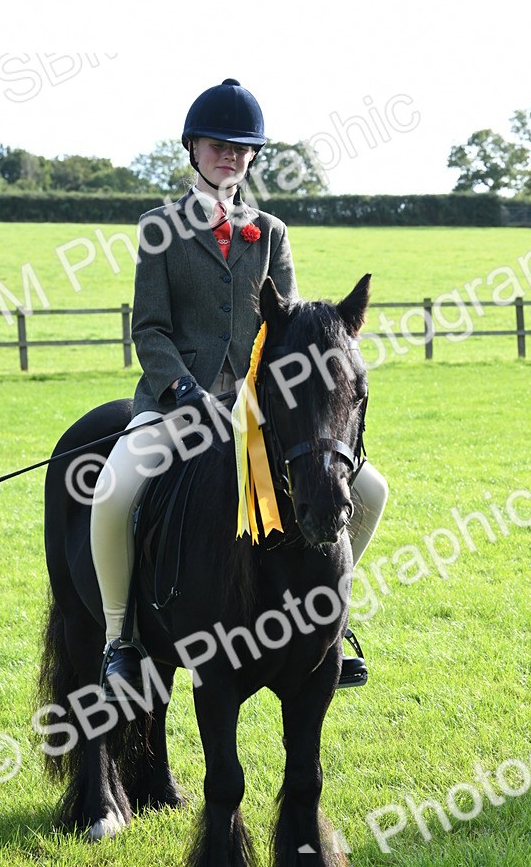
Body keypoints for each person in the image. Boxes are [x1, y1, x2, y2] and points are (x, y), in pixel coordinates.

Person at [90, 78, 388, 702]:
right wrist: (188, 391)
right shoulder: (158, 227)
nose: (229, 154)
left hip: (258, 412)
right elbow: (150, 329)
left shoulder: (271, 232)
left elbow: (291, 327)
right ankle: (123, 638)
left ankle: (333, 618)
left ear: (252, 157)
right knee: (115, 490)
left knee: (367, 488)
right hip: (178, 404)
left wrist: (270, 396)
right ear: (193, 148)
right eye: (217, 143)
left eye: (241, 147)